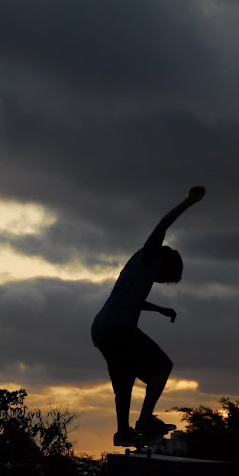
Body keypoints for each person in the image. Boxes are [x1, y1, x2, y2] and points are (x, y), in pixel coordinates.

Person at [91, 186, 206, 446]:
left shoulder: (135, 268)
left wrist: (160, 309)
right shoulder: (149, 256)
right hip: (119, 328)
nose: (161, 281)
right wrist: (189, 202)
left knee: (125, 380)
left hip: (101, 329)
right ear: (164, 264)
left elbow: (132, 301)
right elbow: (162, 226)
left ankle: (123, 432)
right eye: (165, 277)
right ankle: (144, 420)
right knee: (162, 367)